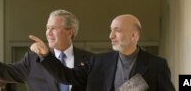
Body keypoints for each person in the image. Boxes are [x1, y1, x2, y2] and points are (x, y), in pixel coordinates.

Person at [29, 14, 176, 91]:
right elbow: (69, 76)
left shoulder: (157, 65)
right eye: (111, 30)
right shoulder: (98, 61)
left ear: (134, 35)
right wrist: (46, 55)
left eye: (117, 31)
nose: (110, 36)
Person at [0, 9, 92, 91]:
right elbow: (2, 71)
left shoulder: (90, 60)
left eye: (54, 28)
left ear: (70, 33)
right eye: (47, 28)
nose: (48, 33)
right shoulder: (33, 60)